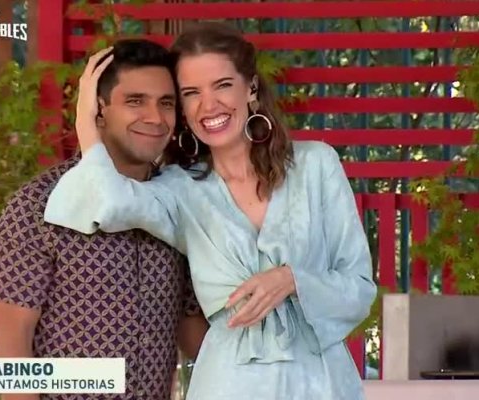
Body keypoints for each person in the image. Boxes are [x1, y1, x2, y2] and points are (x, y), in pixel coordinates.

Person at [44, 23, 377, 400]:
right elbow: (104, 200)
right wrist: (86, 122)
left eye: (222, 85)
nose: (209, 105)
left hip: (322, 382)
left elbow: (359, 289)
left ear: (251, 88)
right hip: (229, 384)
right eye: (191, 93)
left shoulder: (317, 164)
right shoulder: (177, 189)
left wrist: (291, 279)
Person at [0, 39, 209, 400]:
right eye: (135, 101)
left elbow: (190, 330)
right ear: (98, 108)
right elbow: (11, 347)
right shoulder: (40, 206)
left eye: (166, 103)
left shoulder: (176, 203)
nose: (155, 117)